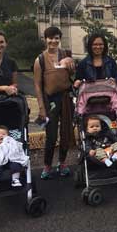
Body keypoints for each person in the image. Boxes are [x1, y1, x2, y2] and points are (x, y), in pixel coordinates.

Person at [33, 26, 75, 179]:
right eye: (50, 38)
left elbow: (72, 75)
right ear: (45, 39)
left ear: (59, 39)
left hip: (65, 98)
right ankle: (47, 165)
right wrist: (41, 108)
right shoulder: (40, 60)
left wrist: (71, 64)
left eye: (56, 38)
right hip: (49, 100)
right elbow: (37, 85)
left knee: (66, 132)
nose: (53, 41)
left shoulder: (65, 55)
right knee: (51, 135)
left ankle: (62, 162)